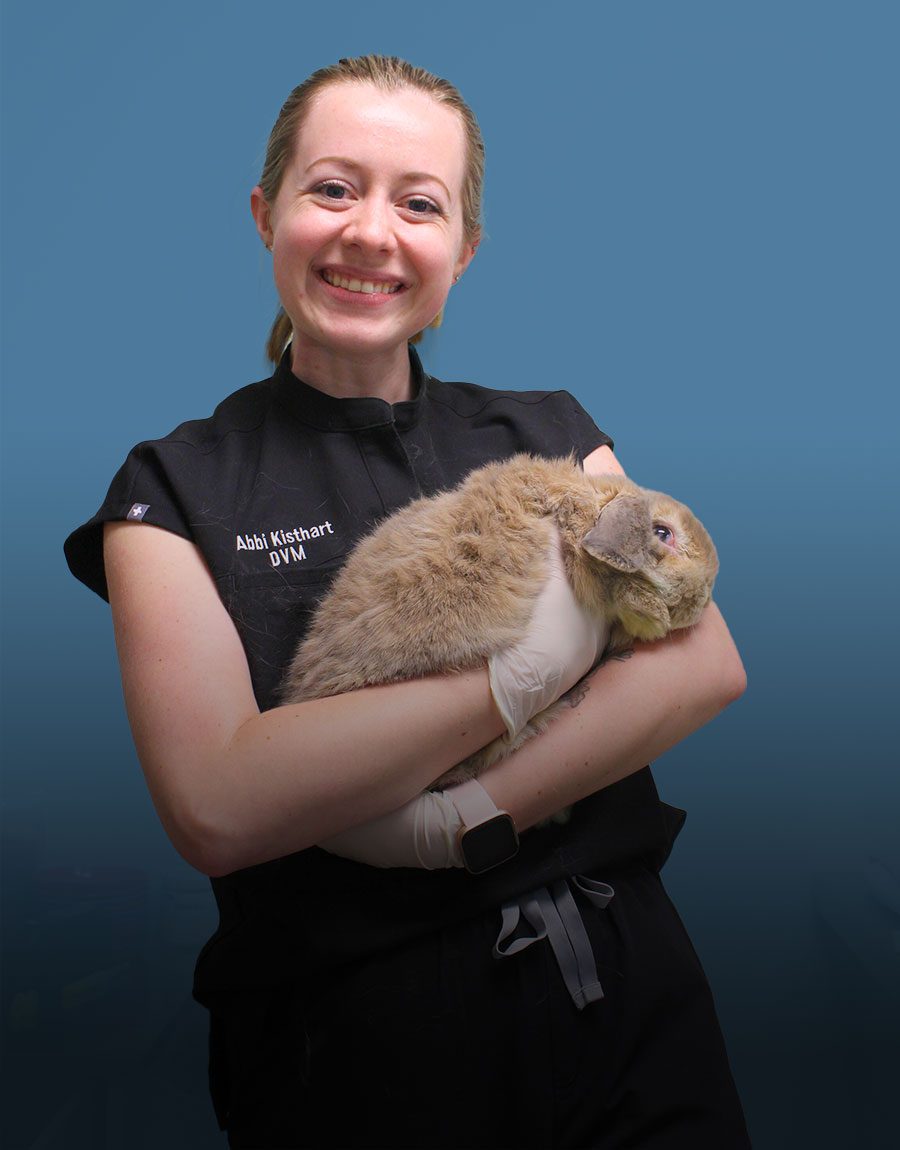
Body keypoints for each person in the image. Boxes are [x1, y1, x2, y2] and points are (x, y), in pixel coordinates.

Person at [65, 55, 751, 1149]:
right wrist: (530, 672)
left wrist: (469, 821)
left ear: (463, 249)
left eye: (418, 203)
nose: (370, 233)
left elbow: (703, 659)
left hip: (631, 1008)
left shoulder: (546, 428)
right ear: (266, 212)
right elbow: (220, 801)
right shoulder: (171, 491)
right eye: (333, 188)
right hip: (354, 1054)